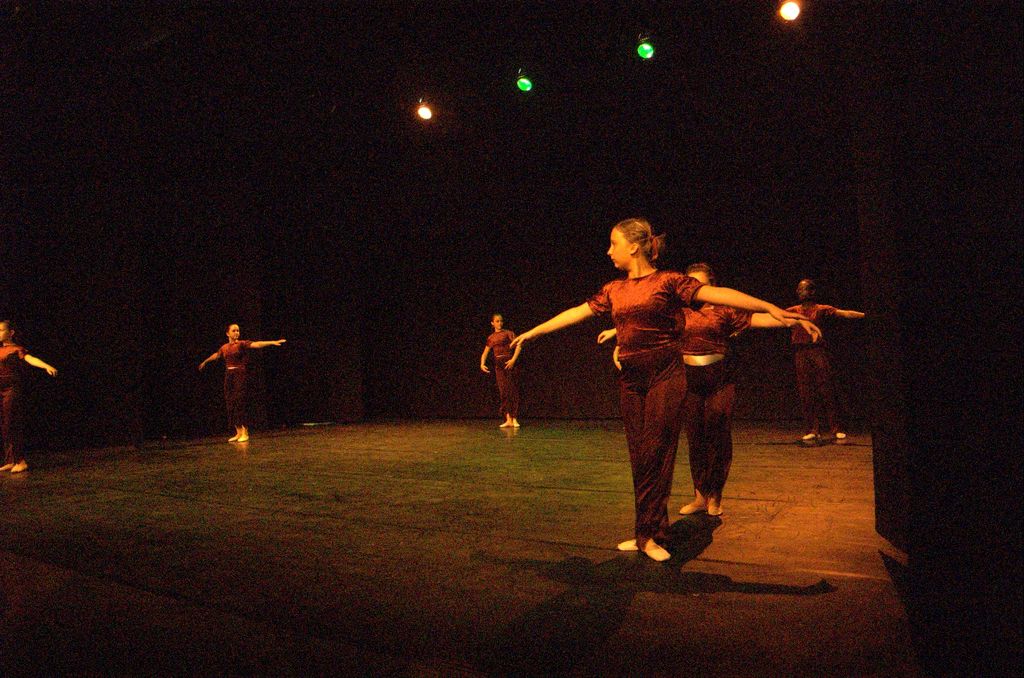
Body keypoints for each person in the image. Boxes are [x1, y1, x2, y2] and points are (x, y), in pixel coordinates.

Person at [510, 218, 809, 561]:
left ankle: (652, 534)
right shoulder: (613, 289)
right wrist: (533, 332)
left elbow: (719, 294)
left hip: (665, 376)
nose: (609, 251)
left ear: (634, 246)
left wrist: (769, 307)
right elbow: (576, 312)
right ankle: (647, 532)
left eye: (613, 244)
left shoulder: (668, 281)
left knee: (657, 453)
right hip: (631, 380)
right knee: (640, 458)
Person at [598, 263, 822, 517]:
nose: (694, 291)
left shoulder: (724, 311)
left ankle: (715, 496)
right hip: (688, 378)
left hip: (719, 378)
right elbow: (646, 321)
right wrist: (616, 331)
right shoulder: (678, 311)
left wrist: (794, 320)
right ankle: (700, 496)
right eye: (691, 285)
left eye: (700, 285)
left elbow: (760, 318)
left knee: (718, 433)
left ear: (711, 286)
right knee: (695, 437)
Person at [786, 279, 864, 442]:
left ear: (812, 292)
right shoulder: (793, 311)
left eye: (803, 289)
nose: (799, 292)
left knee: (827, 390)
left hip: (817, 351)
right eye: (798, 289)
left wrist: (866, 315)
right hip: (800, 352)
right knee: (806, 392)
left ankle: (836, 428)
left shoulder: (821, 309)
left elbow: (844, 313)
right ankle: (812, 429)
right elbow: (773, 316)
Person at [198, 323, 286, 443]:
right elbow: (217, 355)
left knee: (239, 402)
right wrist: (205, 361)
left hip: (239, 374)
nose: (236, 333)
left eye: (238, 331)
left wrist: (272, 342)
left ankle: (245, 432)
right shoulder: (224, 347)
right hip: (229, 376)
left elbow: (257, 344)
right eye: (234, 331)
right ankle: (238, 431)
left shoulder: (241, 344)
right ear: (227, 333)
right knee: (230, 403)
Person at [0, 320, 58, 473]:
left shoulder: (15, 349)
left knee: (11, 423)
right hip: (0, 390)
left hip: (11, 390)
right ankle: (10, 460)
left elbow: (30, 358)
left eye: (1, 330)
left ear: (11, 333)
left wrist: (46, 365)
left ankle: (20, 461)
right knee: (4, 425)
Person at [480, 313, 523, 428]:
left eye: (501, 321)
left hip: (509, 364)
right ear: (492, 323)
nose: (499, 323)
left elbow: (519, 345)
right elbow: (485, 353)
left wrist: (513, 360)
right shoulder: (491, 337)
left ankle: (514, 418)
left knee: (512, 390)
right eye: (497, 321)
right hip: (499, 367)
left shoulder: (508, 333)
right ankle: (508, 418)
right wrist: (482, 364)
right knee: (503, 392)